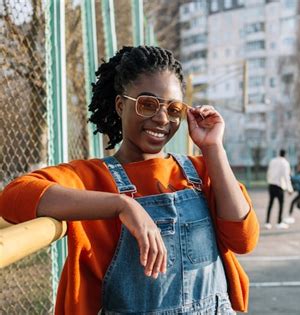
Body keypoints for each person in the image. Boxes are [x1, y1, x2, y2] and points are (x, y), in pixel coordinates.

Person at [0, 46, 259, 314]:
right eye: (148, 104)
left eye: (174, 109)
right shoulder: (91, 178)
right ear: (121, 105)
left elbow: (243, 240)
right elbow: (13, 197)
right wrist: (122, 205)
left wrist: (213, 147)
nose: (161, 118)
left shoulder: (201, 170)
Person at [264, 149, 293, 229]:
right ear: (285, 155)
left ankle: (267, 222)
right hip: (279, 186)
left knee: (270, 204)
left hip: (271, 185)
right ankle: (279, 222)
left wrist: (269, 181)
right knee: (281, 204)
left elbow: (268, 172)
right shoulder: (285, 163)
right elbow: (286, 176)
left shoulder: (272, 161)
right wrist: (289, 188)